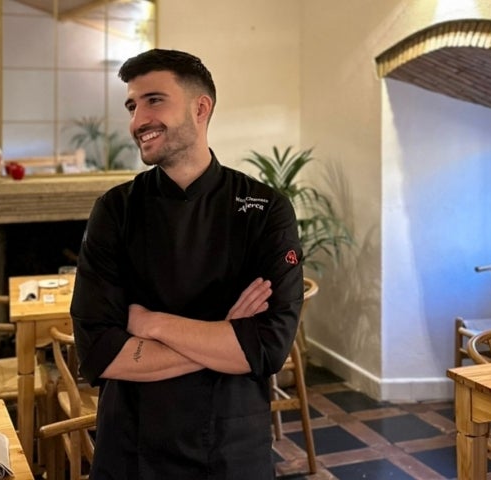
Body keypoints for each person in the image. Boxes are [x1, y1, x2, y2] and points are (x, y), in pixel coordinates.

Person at [71, 48, 303, 480]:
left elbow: (268, 347)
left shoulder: (265, 209)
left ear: (201, 108)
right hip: (131, 446)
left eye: (154, 100)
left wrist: (151, 322)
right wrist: (224, 336)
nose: (138, 121)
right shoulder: (115, 210)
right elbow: (99, 351)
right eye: (132, 106)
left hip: (229, 446)